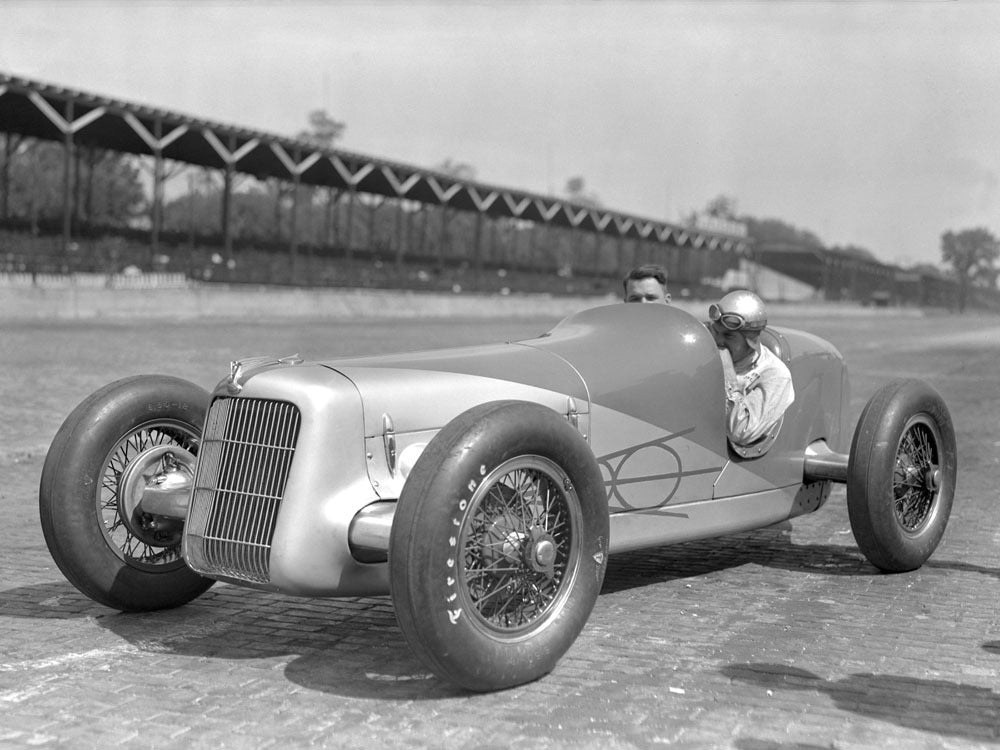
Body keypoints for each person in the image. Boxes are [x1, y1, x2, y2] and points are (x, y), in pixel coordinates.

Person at [708, 290, 794, 457]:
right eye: (715, 332)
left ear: (751, 340)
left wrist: (726, 372)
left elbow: (740, 431)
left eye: (728, 336)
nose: (718, 341)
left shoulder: (775, 375)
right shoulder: (704, 355)